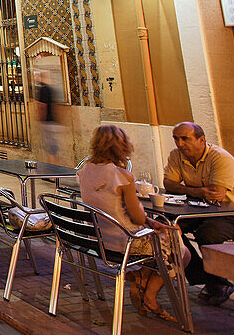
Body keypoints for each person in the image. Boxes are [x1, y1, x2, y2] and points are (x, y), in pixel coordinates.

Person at [78, 125, 187, 322]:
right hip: (127, 242)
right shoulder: (122, 176)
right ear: (122, 147)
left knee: (167, 240)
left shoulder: (84, 171)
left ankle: (141, 277)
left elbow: (113, 207)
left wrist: (149, 221)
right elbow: (136, 218)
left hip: (100, 239)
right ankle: (150, 296)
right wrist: (147, 218)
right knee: (181, 250)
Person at [163, 121, 234, 305]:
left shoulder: (220, 158)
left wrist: (187, 189)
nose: (179, 144)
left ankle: (216, 283)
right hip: (202, 210)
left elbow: (216, 194)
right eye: (176, 138)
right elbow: (169, 185)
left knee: (208, 233)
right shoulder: (176, 155)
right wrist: (198, 191)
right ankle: (209, 279)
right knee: (165, 227)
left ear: (201, 140)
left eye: (185, 139)